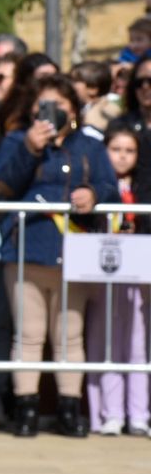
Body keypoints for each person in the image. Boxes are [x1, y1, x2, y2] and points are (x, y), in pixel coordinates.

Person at [0, 75, 115, 438]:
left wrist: (93, 194)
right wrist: (30, 148)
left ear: (74, 111)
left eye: (60, 105)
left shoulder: (89, 146)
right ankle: (26, 408)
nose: (52, 112)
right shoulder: (17, 140)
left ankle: (68, 408)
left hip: (74, 252)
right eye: (44, 105)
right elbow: (3, 185)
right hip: (27, 249)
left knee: (69, 335)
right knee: (28, 335)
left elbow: (109, 185)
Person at [86, 123, 150, 436]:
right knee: (106, 342)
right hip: (103, 272)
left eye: (129, 151)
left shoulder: (143, 187)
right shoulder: (96, 185)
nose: (122, 156)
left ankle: (138, 414)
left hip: (139, 271)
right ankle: (109, 413)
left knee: (138, 343)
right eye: (115, 150)